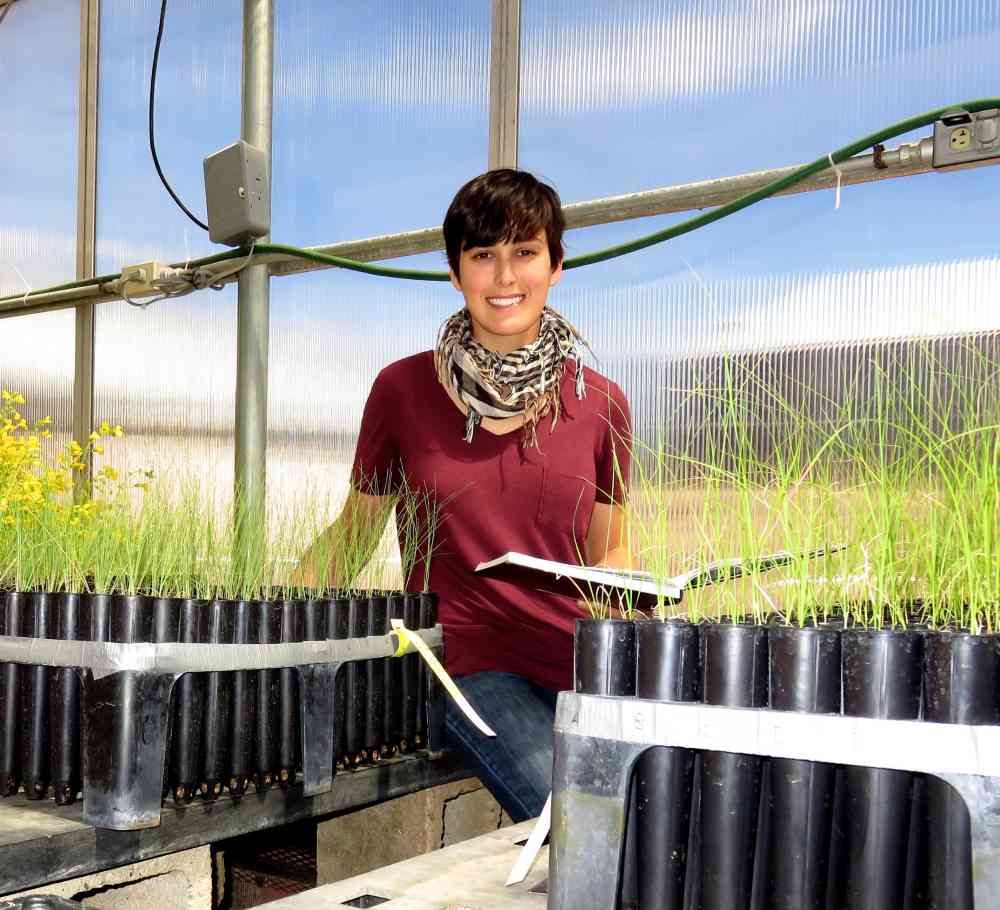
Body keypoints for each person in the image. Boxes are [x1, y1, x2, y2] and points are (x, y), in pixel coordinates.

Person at [297, 169, 632, 822]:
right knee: (578, 821)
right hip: (466, 667)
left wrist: (642, 621)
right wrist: (272, 626)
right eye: (483, 256)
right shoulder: (403, 390)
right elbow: (352, 535)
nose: (504, 277)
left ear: (556, 265)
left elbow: (610, 552)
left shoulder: (602, 404)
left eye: (524, 253)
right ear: (455, 274)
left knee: (663, 808)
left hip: (577, 665)